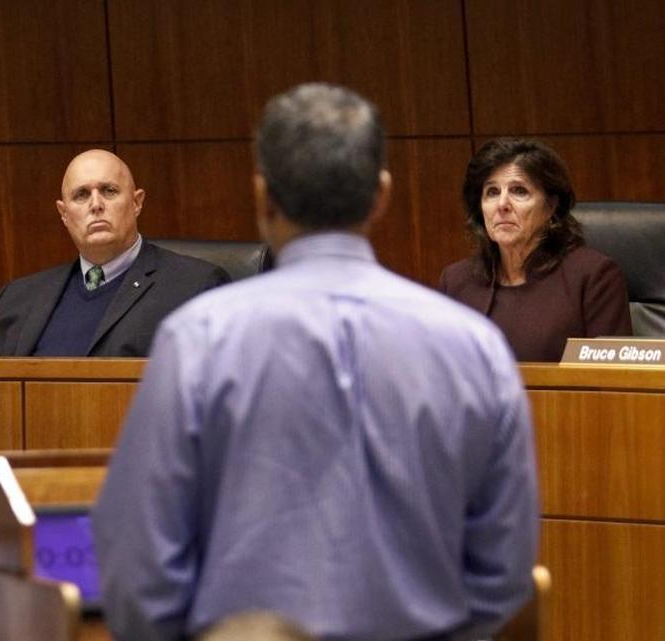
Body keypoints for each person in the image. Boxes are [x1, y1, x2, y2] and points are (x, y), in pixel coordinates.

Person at [93, 84, 539, 641]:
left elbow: (137, 565)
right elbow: (505, 571)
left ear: (263, 197)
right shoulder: (474, 347)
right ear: (381, 196)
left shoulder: (198, 340)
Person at [0, 149, 230, 356]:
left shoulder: (195, 288)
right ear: (64, 214)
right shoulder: (18, 299)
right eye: (81, 195)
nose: (96, 205)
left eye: (109, 191)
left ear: (136, 202)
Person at [439, 138, 631, 362]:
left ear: (550, 206)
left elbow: (613, 378)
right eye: (492, 192)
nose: (502, 204)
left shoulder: (593, 277)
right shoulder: (456, 281)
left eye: (519, 191)